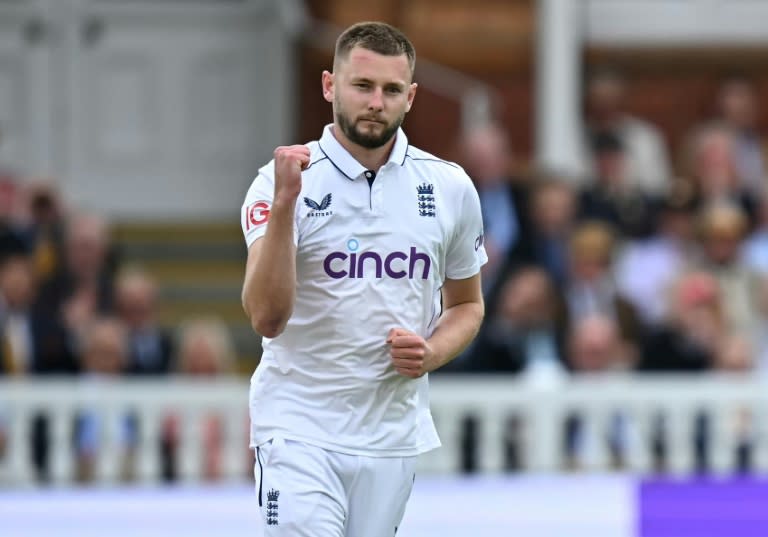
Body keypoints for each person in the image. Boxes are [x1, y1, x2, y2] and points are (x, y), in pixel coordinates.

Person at [240, 21, 486, 537]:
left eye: (392, 90)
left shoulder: (448, 186)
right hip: (298, 428)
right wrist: (286, 205)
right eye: (362, 86)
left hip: (391, 436)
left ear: (411, 97)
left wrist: (433, 353)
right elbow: (266, 317)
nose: (376, 102)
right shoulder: (280, 180)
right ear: (330, 86)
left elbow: (467, 305)